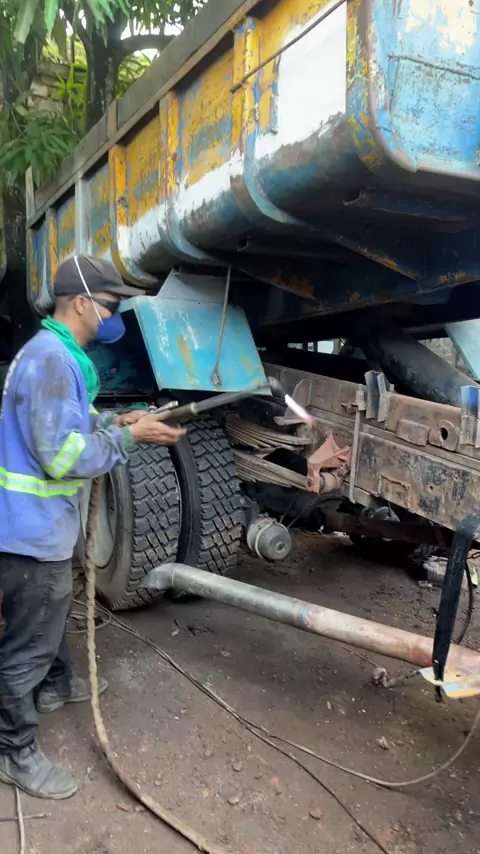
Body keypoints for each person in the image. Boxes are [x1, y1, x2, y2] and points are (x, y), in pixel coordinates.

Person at [0, 255, 185, 800]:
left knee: (48, 619)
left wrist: (114, 421)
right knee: (26, 648)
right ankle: (14, 751)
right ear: (81, 303)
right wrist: (129, 439)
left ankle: (55, 686)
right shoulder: (52, 362)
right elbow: (62, 455)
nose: (113, 316)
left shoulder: (53, 354)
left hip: (38, 528)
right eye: (109, 306)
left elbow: (67, 424)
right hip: (30, 535)